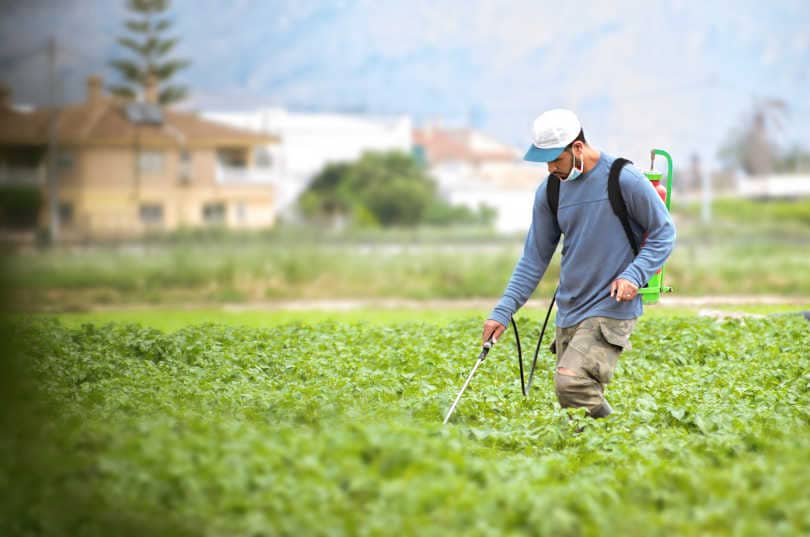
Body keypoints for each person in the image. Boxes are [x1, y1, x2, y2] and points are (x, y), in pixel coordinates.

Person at [482, 109, 676, 418]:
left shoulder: (622, 179)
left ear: (577, 148)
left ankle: (619, 441)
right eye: (545, 161)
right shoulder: (551, 190)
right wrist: (503, 311)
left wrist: (634, 275)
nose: (550, 168)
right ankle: (610, 448)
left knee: (571, 384)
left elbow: (664, 232)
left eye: (555, 160)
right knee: (575, 403)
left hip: (611, 304)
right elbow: (534, 258)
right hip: (570, 307)